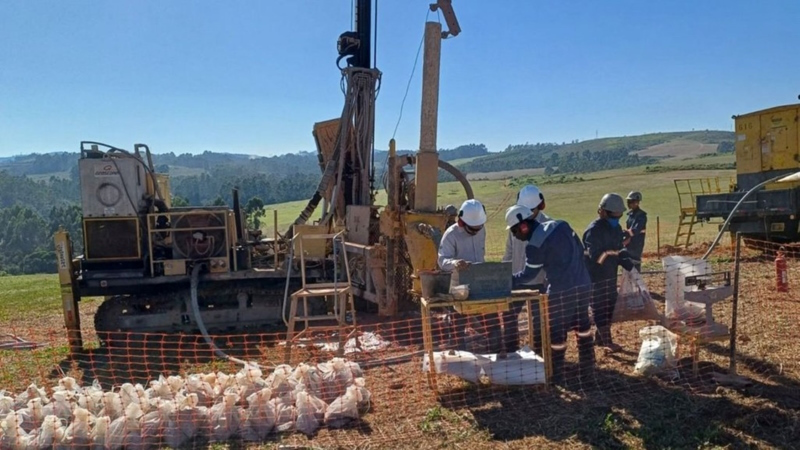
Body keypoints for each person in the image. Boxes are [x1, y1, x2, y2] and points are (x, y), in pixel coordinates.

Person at [505, 204, 595, 384]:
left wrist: (507, 280)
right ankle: (588, 368)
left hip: (561, 292)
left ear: (523, 226)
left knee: (557, 333)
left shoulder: (535, 245)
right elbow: (580, 251)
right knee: (583, 325)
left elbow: (528, 275)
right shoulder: (562, 225)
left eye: (515, 231)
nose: (515, 236)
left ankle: (557, 374)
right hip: (584, 284)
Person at [438, 199, 498, 349]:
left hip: (480, 281)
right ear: (462, 223)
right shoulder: (451, 235)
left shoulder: (481, 229)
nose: (476, 232)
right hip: (459, 285)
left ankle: (495, 347)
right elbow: (442, 261)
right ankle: (460, 352)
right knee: (459, 322)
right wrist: (455, 263)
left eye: (479, 228)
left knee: (491, 317)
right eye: (473, 229)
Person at [500, 185, 551, 354]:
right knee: (508, 317)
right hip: (517, 279)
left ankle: (539, 353)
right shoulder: (515, 220)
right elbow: (508, 251)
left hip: (539, 280)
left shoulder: (547, 225)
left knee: (539, 320)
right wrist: (505, 275)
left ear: (540, 207)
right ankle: (511, 352)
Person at [583, 193, 635, 353]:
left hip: (610, 276)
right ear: (603, 212)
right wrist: (617, 253)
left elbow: (618, 247)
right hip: (595, 277)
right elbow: (598, 257)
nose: (617, 220)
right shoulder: (594, 231)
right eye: (614, 216)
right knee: (600, 308)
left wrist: (626, 261)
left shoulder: (616, 228)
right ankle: (607, 342)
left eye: (619, 217)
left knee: (610, 306)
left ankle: (599, 338)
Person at [624, 191, 647, 272]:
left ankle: (636, 281)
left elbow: (635, 230)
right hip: (629, 243)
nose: (628, 204)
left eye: (630, 202)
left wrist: (624, 233)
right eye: (628, 202)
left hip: (637, 243)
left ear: (637, 202)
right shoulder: (630, 215)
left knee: (635, 263)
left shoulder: (641, 216)